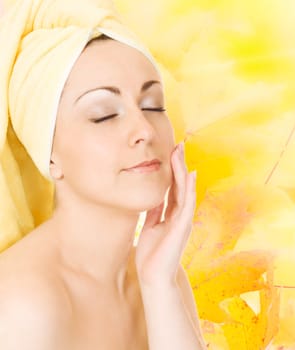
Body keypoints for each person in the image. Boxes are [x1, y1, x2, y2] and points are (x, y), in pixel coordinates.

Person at [0, 1, 205, 349]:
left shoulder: (161, 274)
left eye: (153, 105)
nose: (144, 129)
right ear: (50, 156)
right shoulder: (23, 305)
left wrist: (159, 285)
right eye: (104, 114)